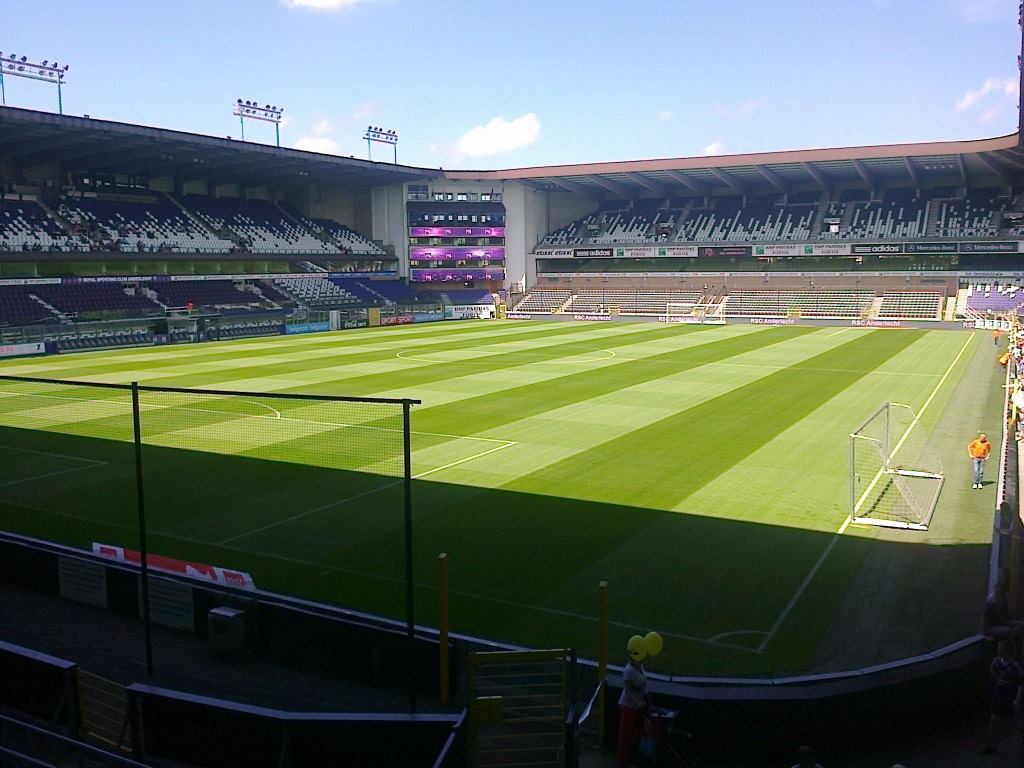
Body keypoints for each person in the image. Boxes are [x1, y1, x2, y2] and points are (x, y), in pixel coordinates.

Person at [983, 640, 1022, 754]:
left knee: (1016, 722)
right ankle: (992, 746)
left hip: (1009, 697)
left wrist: (1017, 700)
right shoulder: (997, 662)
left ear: (1007, 652)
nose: (998, 650)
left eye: (1000, 649)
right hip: (998, 695)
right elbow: (993, 676)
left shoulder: (1015, 666)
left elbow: (1021, 684)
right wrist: (992, 666)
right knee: (993, 720)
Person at [617, 642, 649, 768]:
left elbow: (643, 685)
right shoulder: (629, 670)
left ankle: (628, 759)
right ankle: (623, 762)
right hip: (628, 707)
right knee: (625, 736)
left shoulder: (640, 666)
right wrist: (638, 702)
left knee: (633, 735)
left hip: (636, 707)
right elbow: (628, 690)